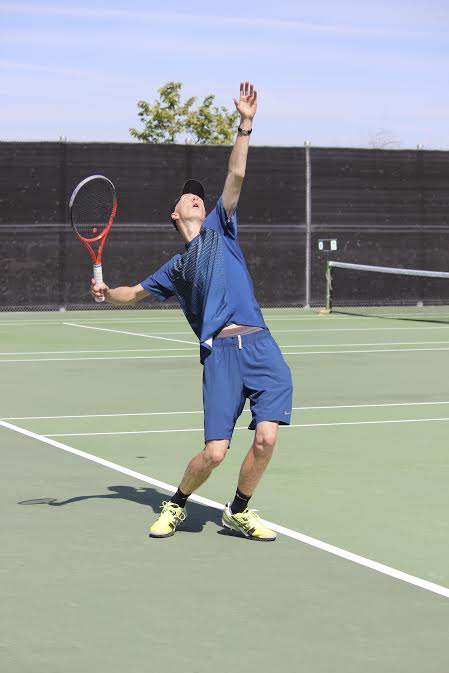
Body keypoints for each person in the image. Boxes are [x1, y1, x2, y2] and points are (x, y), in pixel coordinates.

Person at [91, 82, 293, 541]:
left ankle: (238, 511)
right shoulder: (176, 269)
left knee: (266, 438)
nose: (196, 196)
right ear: (175, 213)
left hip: (261, 345)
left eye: (200, 194)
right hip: (220, 356)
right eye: (188, 195)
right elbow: (133, 293)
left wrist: (245, 124)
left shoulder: (222, 227)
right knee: (215, 453)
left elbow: (236, 176)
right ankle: (176, 503)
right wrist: (107, 291)